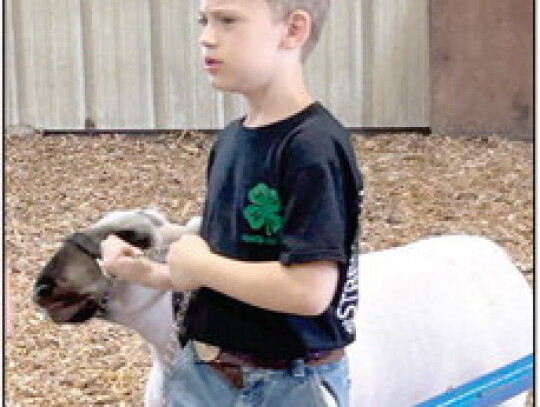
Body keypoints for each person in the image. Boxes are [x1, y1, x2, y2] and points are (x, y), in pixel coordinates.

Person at [101, 0, 363, 405]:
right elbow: (229, 265)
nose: (206, 37)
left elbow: (310, 291)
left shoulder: (312, 147)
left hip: (289, 385)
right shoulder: (231, 140)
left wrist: (201, 265)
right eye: (204, 21)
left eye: (228, 21)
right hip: (206, 374)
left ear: (293, 30)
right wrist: (146, 272)